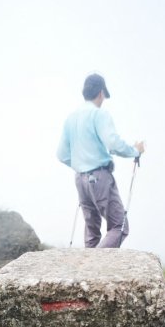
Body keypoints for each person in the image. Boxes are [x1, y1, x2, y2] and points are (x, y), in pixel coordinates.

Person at [57, 73, 145, 248]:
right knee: (119, 226)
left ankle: (87, 272)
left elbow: (62, 154)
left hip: (80, 180)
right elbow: (112, 143)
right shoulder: (99, 114)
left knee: (92, 231)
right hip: (99, 178)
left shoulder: (71, 118)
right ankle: (93, 267)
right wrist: (135, 150)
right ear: (100, 93)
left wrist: (81, 165)